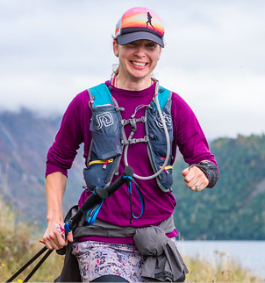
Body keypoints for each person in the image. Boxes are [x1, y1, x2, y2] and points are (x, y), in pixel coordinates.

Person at [43, 6, 219, 283]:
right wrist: (54, 219)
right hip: (99, 237)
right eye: (131, 44)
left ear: (159, 51)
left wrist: (203, 173)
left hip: (158, 241)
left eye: (149, 45)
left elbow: (206, 161)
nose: (141, 53)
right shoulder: (86, 103)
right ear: (115, 47)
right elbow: (58, 161)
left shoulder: (174, 106)